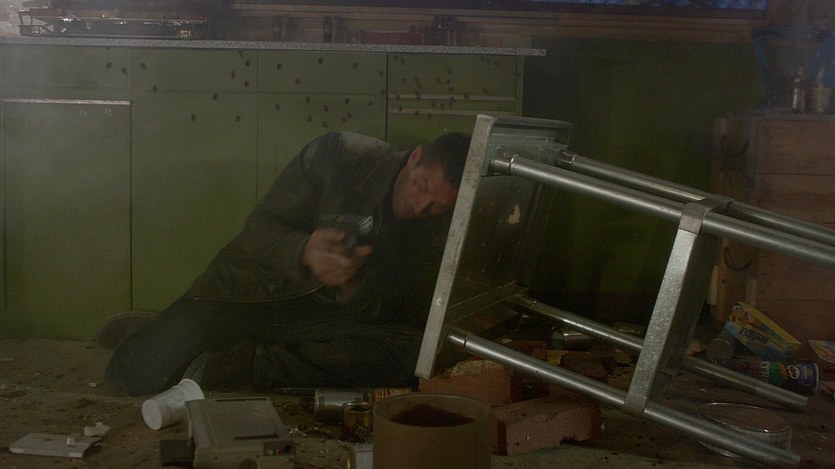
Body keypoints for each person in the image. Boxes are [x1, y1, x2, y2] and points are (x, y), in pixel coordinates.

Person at [105, 130, 471, 396]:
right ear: (415, 157)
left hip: (319, 318)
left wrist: (353, 285)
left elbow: (393, 309)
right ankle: (150, 331)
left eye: (435, 206)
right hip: (249, 293)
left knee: (412, 354)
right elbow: (257, 230)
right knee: (137, 376)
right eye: (422, 187)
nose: (419, 206)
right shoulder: (342, 154)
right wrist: (305, 249)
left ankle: (247, 364)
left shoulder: (434, 229)